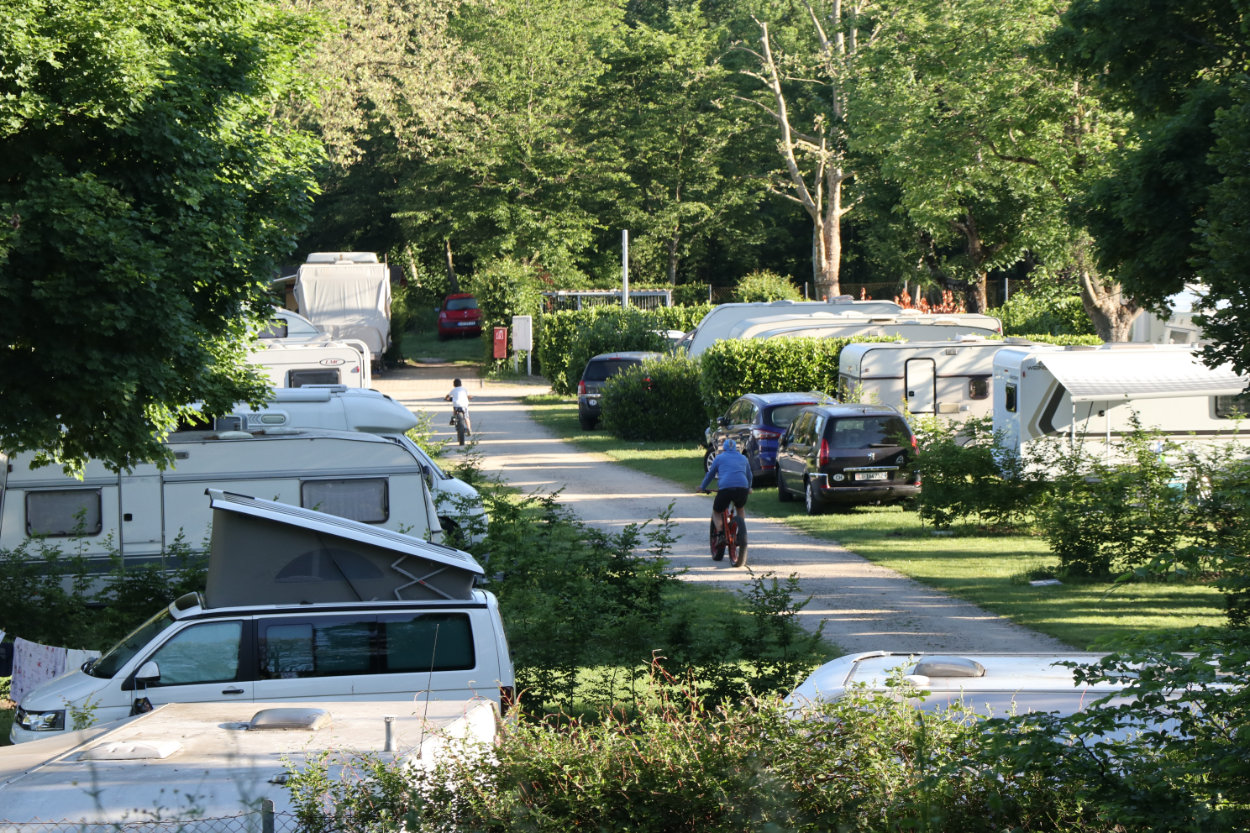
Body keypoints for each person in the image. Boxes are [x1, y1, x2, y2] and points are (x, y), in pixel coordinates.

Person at [699, 438, 752, 540]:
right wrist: (749, 488)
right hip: (742, 488)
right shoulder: (743, 458)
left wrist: (702, 487)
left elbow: (710, 475)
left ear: (724, 449)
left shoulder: (719, 458)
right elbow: (749, 475)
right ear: (736, 448)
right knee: (740, 508)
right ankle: (741, 532)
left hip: (725, 489)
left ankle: (720, 534)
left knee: (716, 512)